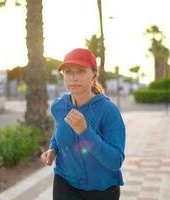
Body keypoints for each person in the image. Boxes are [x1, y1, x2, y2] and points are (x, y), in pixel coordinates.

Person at [40, 48, 126, 200]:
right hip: (64, 184)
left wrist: (85, 131)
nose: (73, 77)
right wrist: (53, 148)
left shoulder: (109, 110)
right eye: (68, 71)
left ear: (93, 74)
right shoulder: (59, 106)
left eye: (80, 71)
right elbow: (59, 128)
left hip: (102, 190)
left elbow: (115, 161)